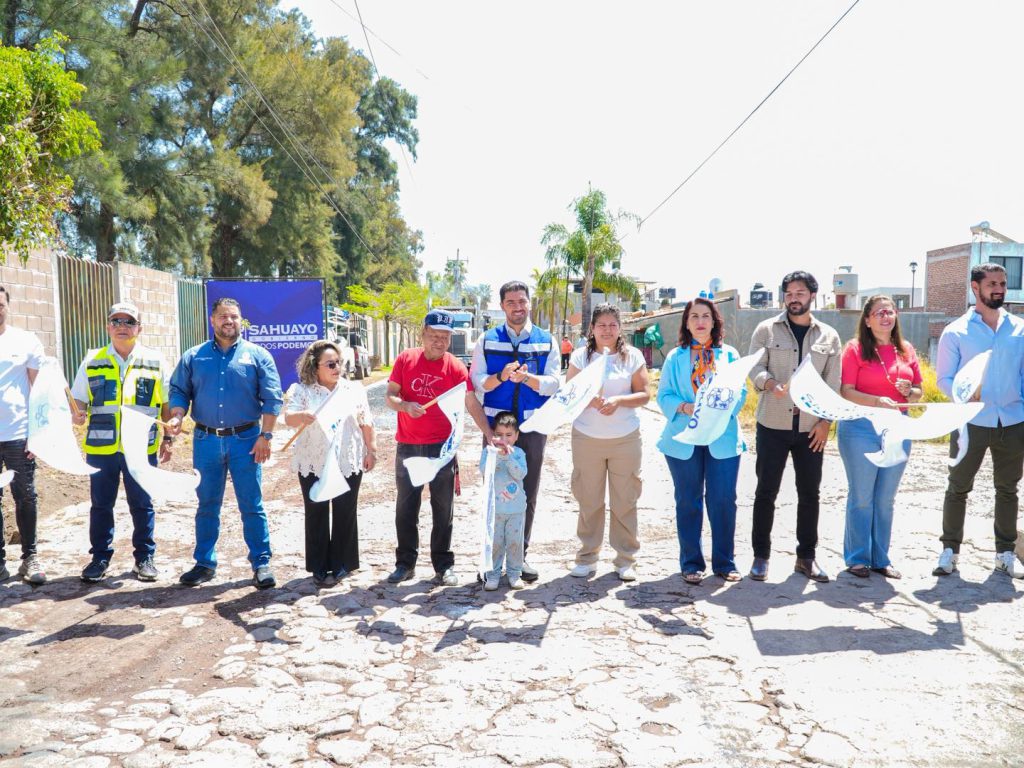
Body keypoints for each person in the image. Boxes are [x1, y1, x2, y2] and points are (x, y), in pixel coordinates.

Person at [166, 297, 283, 590]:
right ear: (212, 320)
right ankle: (204, 563)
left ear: (241, 320)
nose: (229, 321)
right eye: (223, 316)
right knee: (206, 504)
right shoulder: (194, 356)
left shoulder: (258, 356)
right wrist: (177, 415)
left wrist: (266, 436)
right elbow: (179, 390)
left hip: (247, 441)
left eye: (234, 317)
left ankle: (261, 563)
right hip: (205, 441)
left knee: (251, 504)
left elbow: (272, 398)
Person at [386, 310, 493, 586]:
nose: (439, 341)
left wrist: (489, 433)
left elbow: (470, 402)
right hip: (409, 446)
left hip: (443, 449)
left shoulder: (456, 367)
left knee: (443, 509)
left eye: (445, 337)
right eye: (434, 335)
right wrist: (404, 406)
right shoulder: (405, 359)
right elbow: (390, 396)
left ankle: (443, 565)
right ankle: (405, 563)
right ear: (423, 334)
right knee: (406, 507)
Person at [70, 302, 173, 583]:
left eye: (129, 322)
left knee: (142, 504)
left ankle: (145, 558)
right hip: (102, 447)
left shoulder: (155, 361)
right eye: (116, 321)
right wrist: (77, 413)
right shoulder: (92, 360)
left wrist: (169, 438)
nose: (122, 327)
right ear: (108, 327)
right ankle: (99, 558)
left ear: (139, 328)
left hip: (140, 447)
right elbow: (79, 400)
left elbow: (166, 404)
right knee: (101, 505)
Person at [748, 270, 841, 583]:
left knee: (810, 494)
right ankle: (761, 557)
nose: (794, 299)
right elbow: (755, 367)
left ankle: (806, 558)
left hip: (811, 429)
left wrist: (826, 423)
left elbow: (833, 384)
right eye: (789, 294)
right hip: (772, 424)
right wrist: (769, 383)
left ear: (812, 295)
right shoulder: (766, 329)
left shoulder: (828, 336)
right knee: (766, 491)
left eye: (800, 293)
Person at [934, 263, 1024, 579]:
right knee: (958, 487)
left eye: (1002, 284)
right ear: (975, 288)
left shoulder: (1019, 329)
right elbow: (944, 378)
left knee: (1007, 489)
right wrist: (962, 395)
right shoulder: (955, 331)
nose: (999, 289)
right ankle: (950, 552)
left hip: (1013, 421)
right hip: (969, 422)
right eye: (992, 284)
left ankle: (1005, 554)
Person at [470, 280, 560, 582]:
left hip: (533, 427)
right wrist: (501, 376)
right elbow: (478, 382)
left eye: (522, 301)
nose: (517, 307)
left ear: (529, 303)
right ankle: (490, 560)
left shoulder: (546, 340)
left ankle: (519, 558)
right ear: (502, 306)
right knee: (493, 494)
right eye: (510, 302)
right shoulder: (486, 340)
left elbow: (554, 383)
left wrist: (528, 379)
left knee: (527, 491)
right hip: (497, 430)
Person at [656, 297, 746, 585]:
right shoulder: (675, 357)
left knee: (723, 500)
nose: (700, 322)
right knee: (688, 501)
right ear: (686, 322)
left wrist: (719, 410)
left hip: (722, 437)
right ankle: (691, 563)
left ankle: (725, 562)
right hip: (683, 439)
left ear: (714, 321)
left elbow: (740, 392)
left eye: (705, 316)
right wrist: (685, 407)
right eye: (693, 316)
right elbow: (663, 395)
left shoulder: (729, 355)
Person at [837, 295, 923, 579]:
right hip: (860, 429)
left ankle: (880, 559)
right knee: (862, 496)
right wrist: (876, 401)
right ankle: (857, 558)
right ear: (867, 320)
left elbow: (918, 392)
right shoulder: (855, 349)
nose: (886, 317)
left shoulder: (906, 350)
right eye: (879, 313)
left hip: (898, 430)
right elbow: (846, 390)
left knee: (885, 499)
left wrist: (909, 391)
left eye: (890, 312)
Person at [566, 303, 650, 581]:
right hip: (587, 438)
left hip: (625, 440)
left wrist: (618, 401)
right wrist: (589, 399)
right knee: (589, 499)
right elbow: (569, 392)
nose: (607, 330)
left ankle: (625, 559)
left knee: (625, 500)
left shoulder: (632, 356)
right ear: (591, 328)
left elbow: (644, 394)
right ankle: (587, 557)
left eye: (612, 325)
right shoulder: (581, 357)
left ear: (620, 328)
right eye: (601, 325)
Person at [284, 340, 377, 586]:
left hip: (347, 458)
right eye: (331, 364)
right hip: (313, 459)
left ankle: (343, 562)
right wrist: (302, 416)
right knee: (316, 509)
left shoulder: (353, 390)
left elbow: (366, 421)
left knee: (345, 510)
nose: (337, 368)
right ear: (315, 366)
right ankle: (319, 565)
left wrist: (372, 450)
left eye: (339, 363)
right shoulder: (301, 390)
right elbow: (289, 418)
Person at [0, 285, 46, 585]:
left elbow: (39, 390)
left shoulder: (25, 340)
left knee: (25, 496)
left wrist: (37, 433)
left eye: (0, 304)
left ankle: (30, 557)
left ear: (7, 306)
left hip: (18, 434)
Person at [481, 411, 529, 591]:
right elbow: (485, 471)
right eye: (499, 435)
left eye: (509, 435)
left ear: (516, 436)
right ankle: (492, 574)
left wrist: (508, 457)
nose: (504, 439)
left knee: (515, 543)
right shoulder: (488, 452)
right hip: (495, 509)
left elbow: (520, 474)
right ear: (493, 435)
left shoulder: (519, 453)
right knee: (495, 543)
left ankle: (514, 573)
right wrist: (497, 455)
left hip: (516, 509)